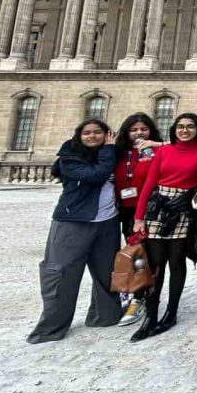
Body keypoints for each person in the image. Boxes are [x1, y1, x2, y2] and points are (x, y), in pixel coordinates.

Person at [27, 119, 123, 344]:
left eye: (97, 132)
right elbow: (96, 175)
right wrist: (109, 149)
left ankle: (105, 316)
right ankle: (51, 327)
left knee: (106, 272)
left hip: (107, 222)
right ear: (79, 136)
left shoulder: (113, 155)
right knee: (61, 273)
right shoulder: (69, 158)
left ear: (106, 134)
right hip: (73, 221)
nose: (92, 136)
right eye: (87, 133)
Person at [132, 113, 197, 341]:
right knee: (156, 264)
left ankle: (172, 312)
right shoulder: (165, 151)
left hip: (183, 208)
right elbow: (150, 183)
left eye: (190, 127)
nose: (185, 130)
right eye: (180, 127)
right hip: (159, 206)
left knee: (176, 261)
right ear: (174, 129)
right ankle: (151, 314)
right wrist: (139, 217)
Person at [113, 113, 165, 327]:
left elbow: (183, 146)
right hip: (125, 211)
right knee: (133, 255)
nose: (139, 133)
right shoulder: (118, 153)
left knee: (150, 257)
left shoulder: (156, 151)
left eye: (143, 129)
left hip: (150, 210)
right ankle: (135, 293)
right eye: (134, 129)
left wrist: (156, 144)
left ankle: (143, 299)